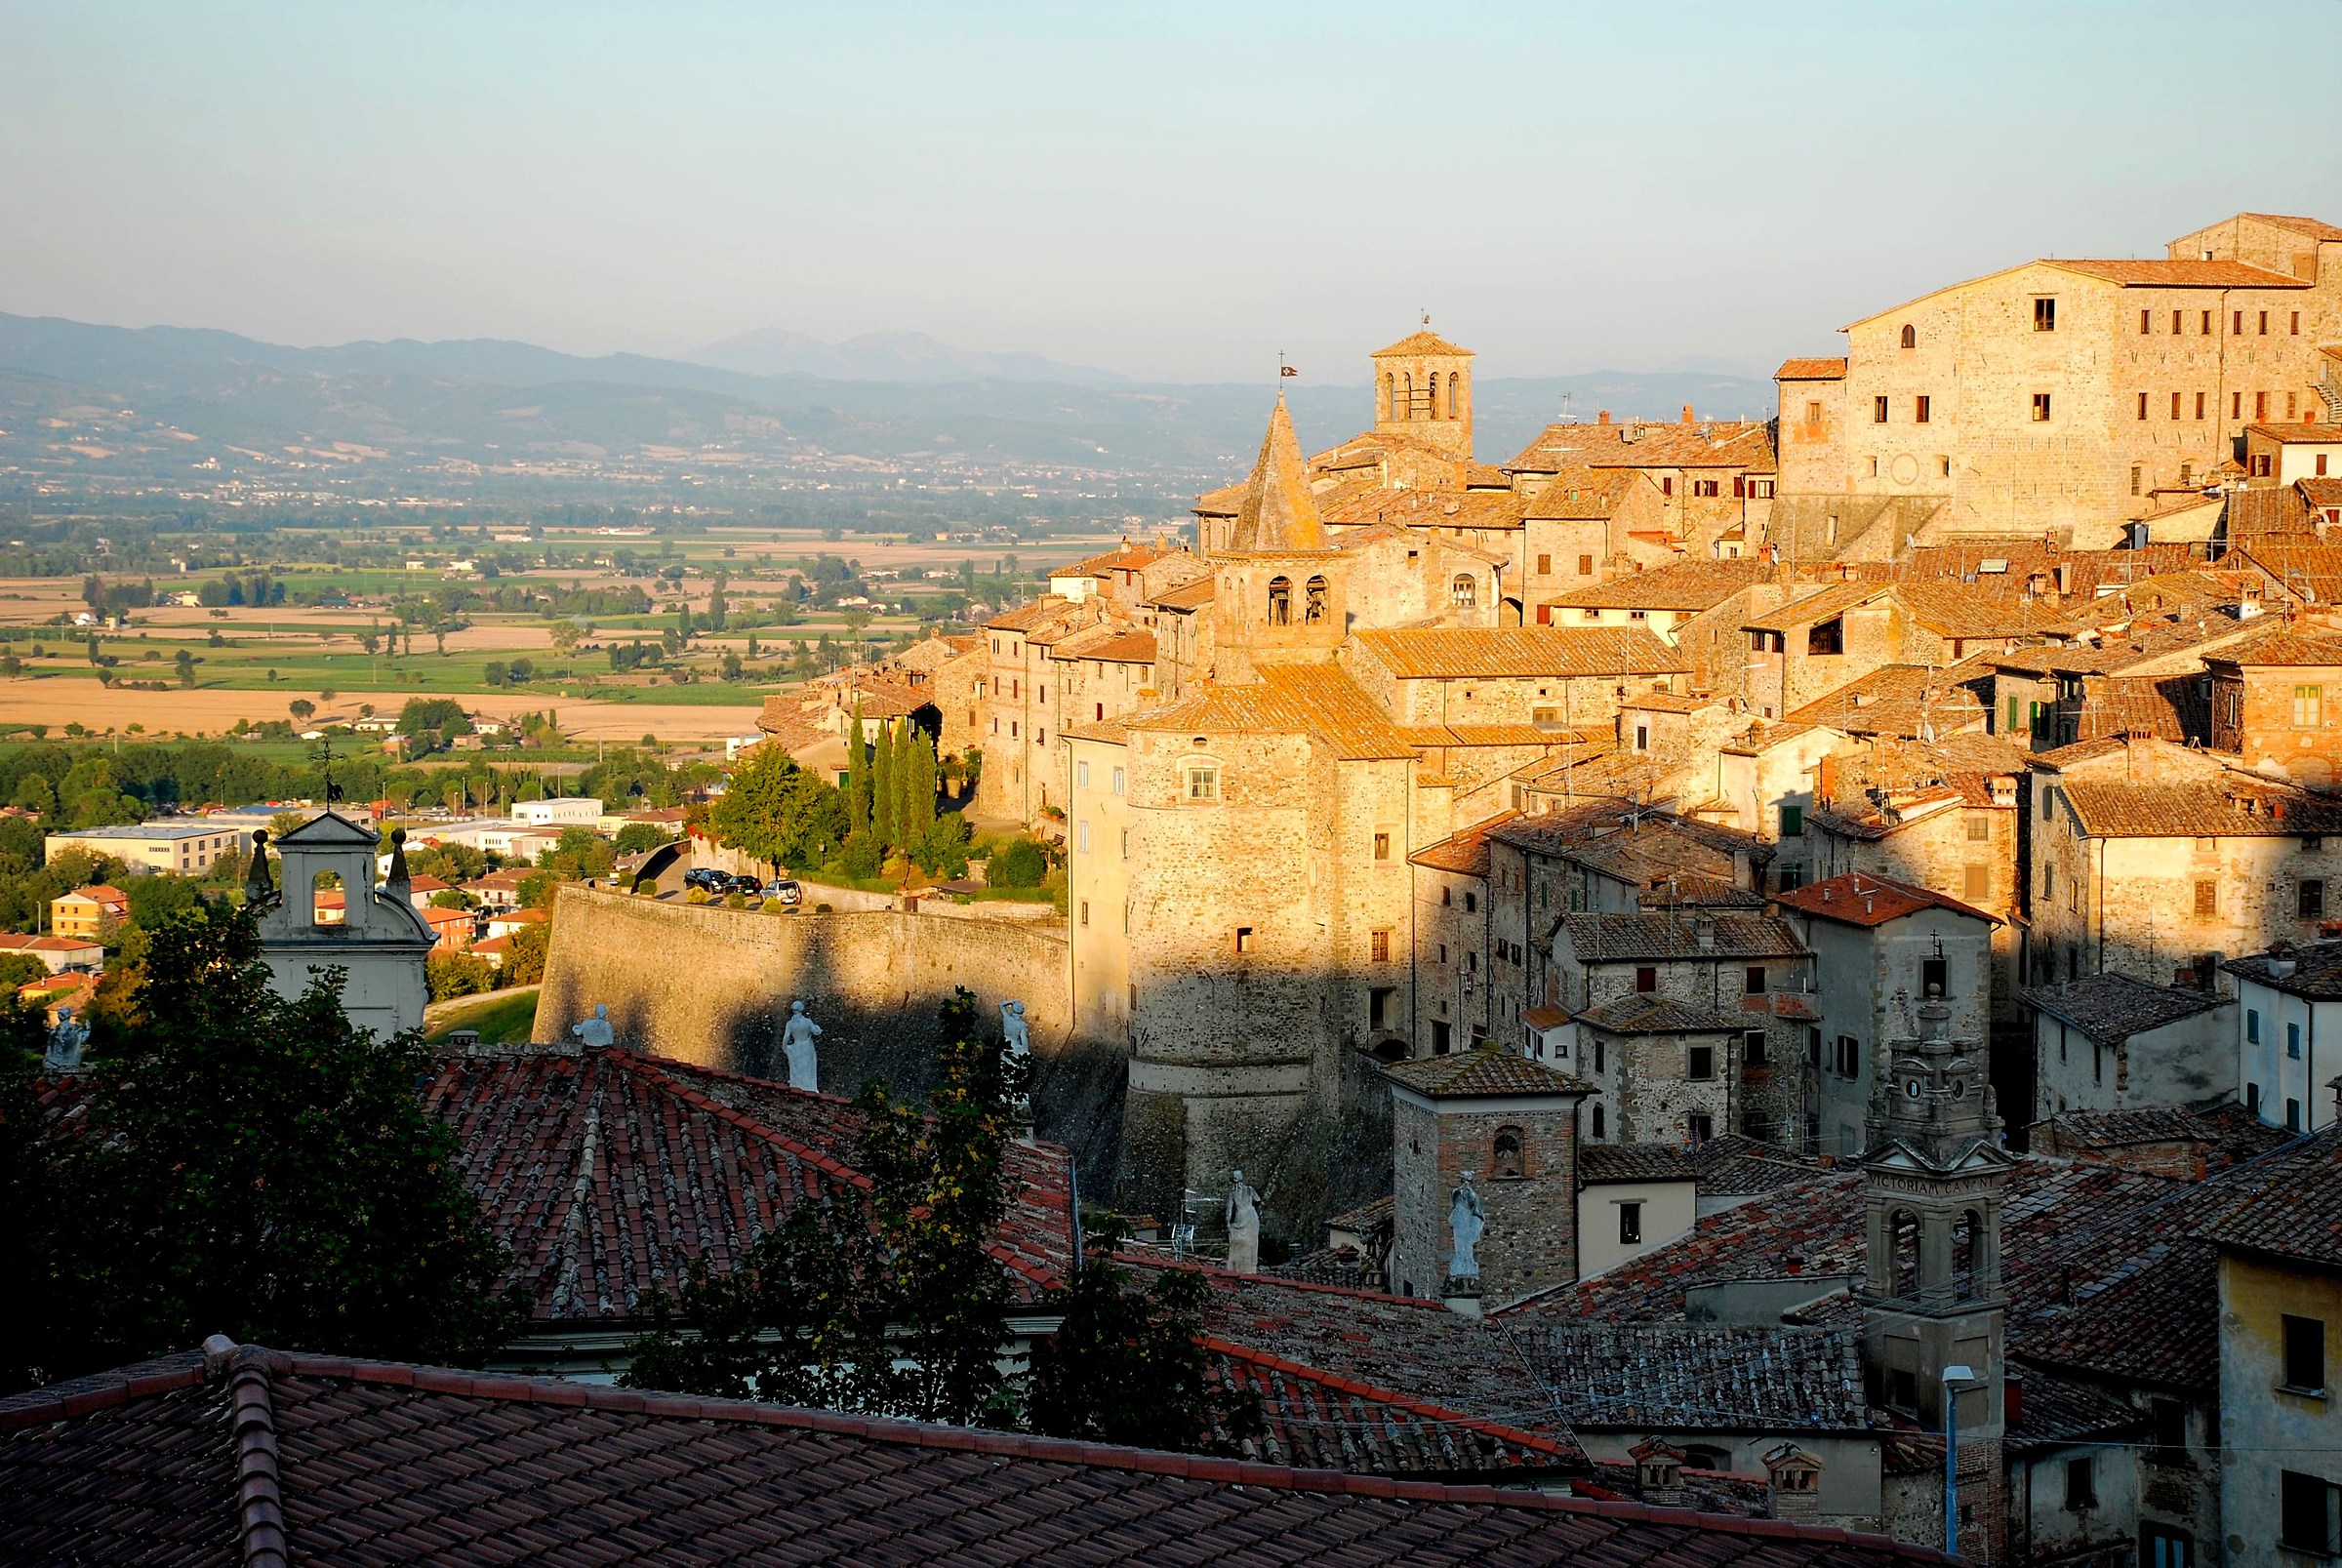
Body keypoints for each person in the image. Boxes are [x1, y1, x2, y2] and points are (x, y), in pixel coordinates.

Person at [1448, 1171, 1484, 1281]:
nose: (1466, 1183)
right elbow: (1454, 1197)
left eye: (1468, 1181)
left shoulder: (1472, 1194)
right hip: (1459, 1218)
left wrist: (1469, 1191)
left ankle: (1468, 1262)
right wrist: (1462, 1190)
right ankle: (1459, 1261)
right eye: (1464, 1180)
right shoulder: (1456, 1192)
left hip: (1467, 1219)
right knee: (1458, 1241)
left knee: (1467, 1242)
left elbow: (1474, 1203)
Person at [1225, 1169, 1261, 1274]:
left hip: (1242, 1216)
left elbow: (1229, 1210)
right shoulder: (1249, 1190)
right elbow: (1258, 1200)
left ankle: (1242, 1266)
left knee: (1241, 1241)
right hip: (1250, 1215)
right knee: (1250, 1242)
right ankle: (1248, 1267)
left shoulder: (1233, 1193)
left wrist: (1227, 1223)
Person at [782, 999, 823, 1092]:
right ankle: (809, 1087)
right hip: (807, 1046)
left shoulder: (790, 1024)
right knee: (808, 1068)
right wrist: (818, 1028)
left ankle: (797, 1086)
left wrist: (784, 1047)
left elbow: (786, 1036)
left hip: (796, 1047)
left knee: (796, 1069)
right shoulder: (807, 1022)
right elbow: (815, 1032)